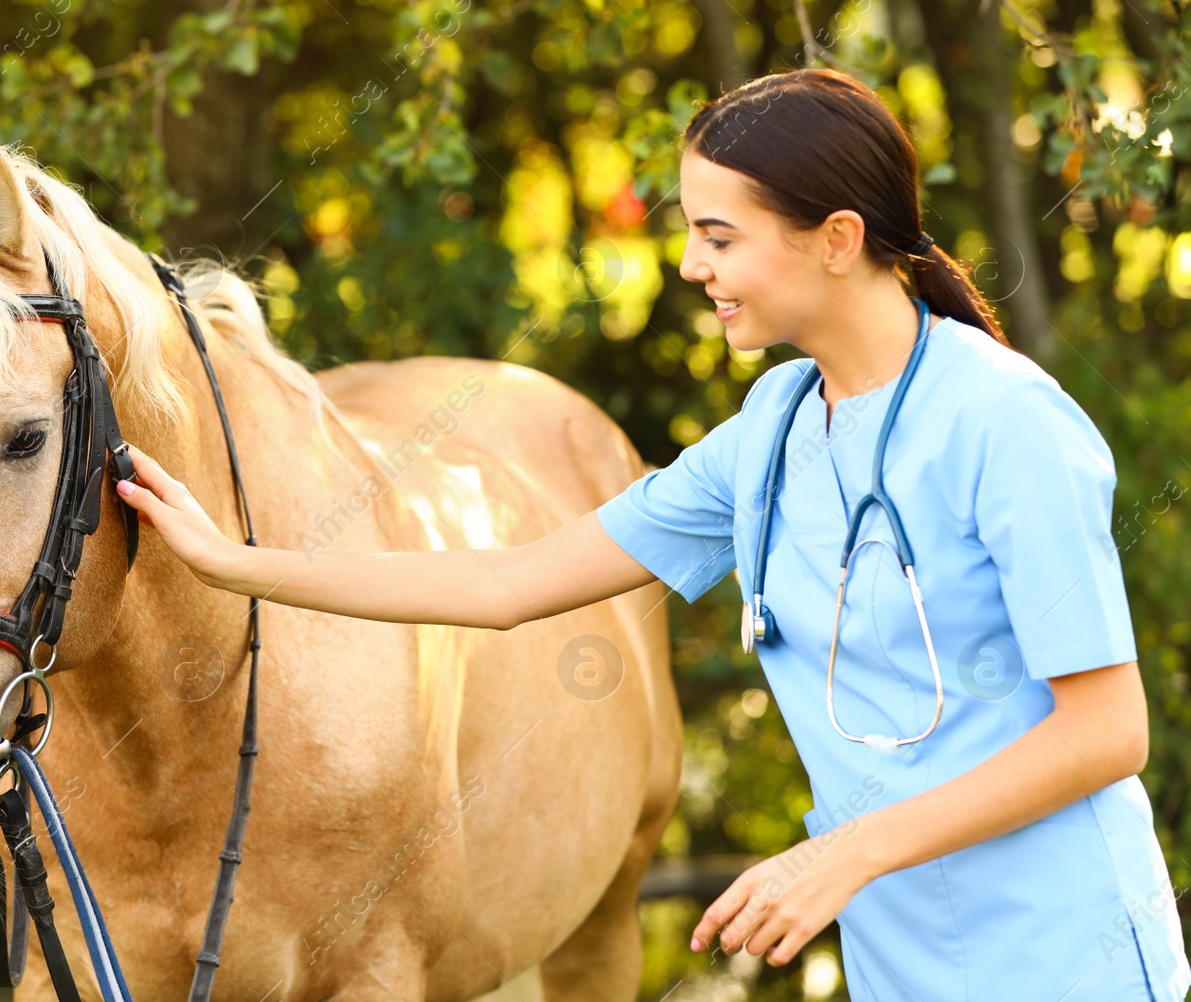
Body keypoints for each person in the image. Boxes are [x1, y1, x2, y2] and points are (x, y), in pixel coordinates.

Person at [112, 68, 1191, 1001]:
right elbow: (508, 582)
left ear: (836, 239)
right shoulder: (772, 430)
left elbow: (1107, 732)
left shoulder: (1004, 421)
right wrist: (227, 559)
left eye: (716, 237)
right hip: (902, 953)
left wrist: (846, 851)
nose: (687, 265)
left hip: (1064, 947)